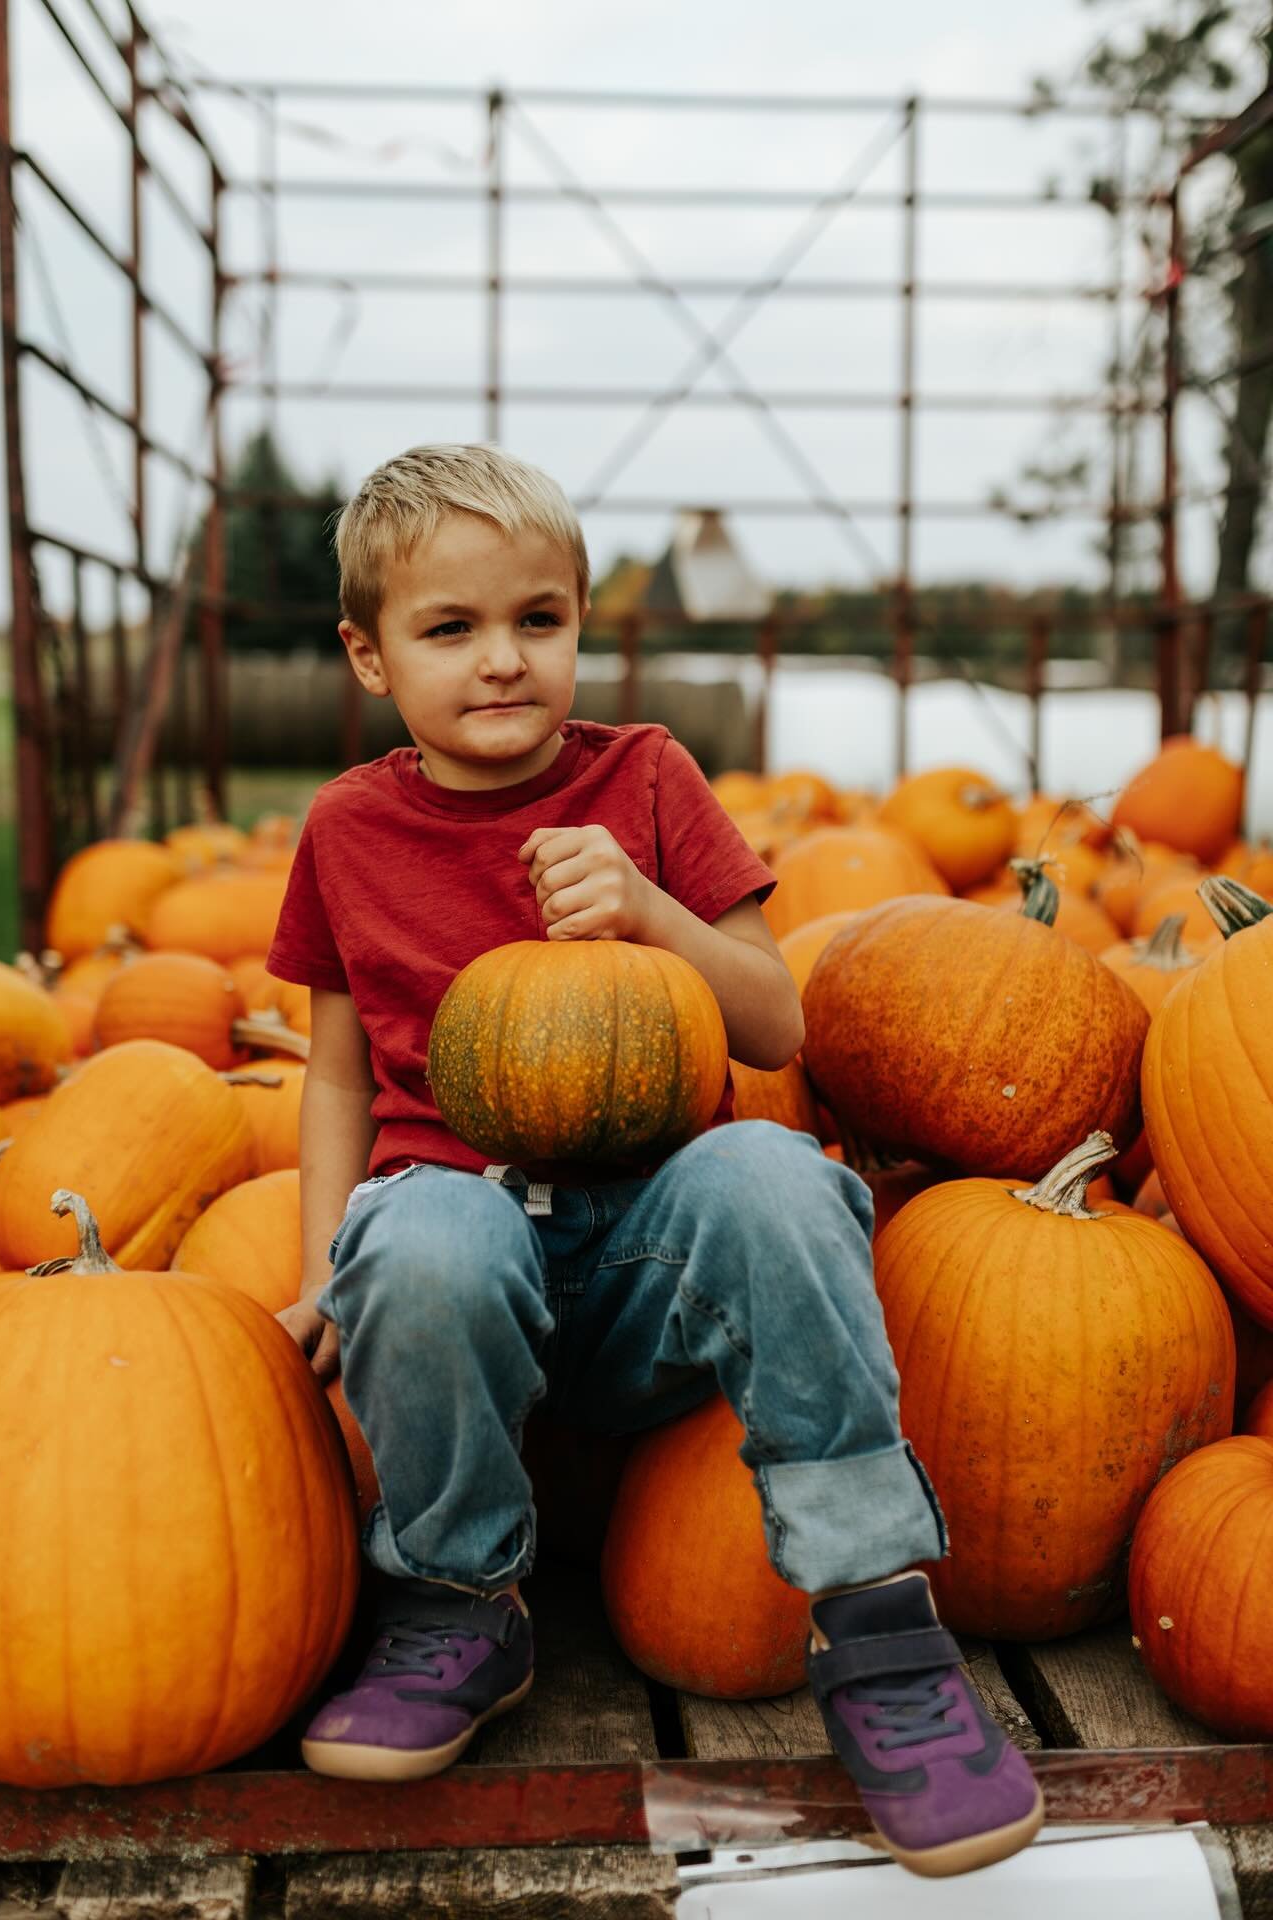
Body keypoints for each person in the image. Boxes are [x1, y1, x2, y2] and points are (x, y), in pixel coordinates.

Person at [265, 443, 1042, 1879]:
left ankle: (874, 1614)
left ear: (577, 624)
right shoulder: (348, 832)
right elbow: (330, 1077)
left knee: (780, 1176)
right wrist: (323, 1271)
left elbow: (773, 1016)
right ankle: (454, 1594)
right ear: (369, 658)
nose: (502, 661)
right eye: (451, 629)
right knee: (426, 1236)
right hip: (460, 1253)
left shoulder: (644, 778)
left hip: (648, 1262)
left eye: (538, 620)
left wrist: (650, 913)